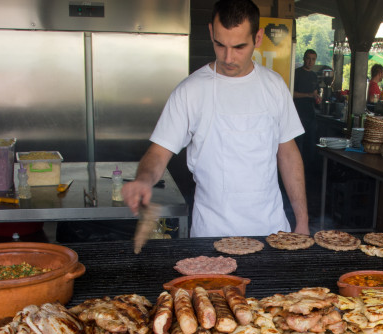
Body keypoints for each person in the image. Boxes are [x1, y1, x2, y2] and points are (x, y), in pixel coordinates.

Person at [123, 0, 308, 237]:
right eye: (220, 45)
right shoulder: (191, 91)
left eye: (239, 47)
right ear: (211, 32)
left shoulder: (274, 86)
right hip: (211, 236)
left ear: (258, 38)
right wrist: (144, 179)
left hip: (272, 233)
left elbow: (289, 154)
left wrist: (302, 220)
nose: (228, 57)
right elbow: (159, 152)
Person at [293, 49, 319, 166]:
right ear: (304, 58)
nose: (310, 62)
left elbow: (315, 92)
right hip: (298, 113)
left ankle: (309, 170)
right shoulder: (296, 73)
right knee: (299, 144)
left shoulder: (314, 76)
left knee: (311, 143)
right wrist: (308, 95)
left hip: (310, 114)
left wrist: (317, 98)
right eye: (308, 58)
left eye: (313, 59)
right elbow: (291, 93)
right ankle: (298, 166)